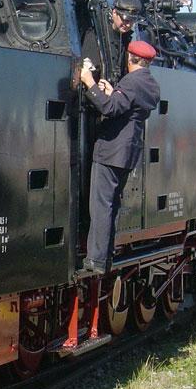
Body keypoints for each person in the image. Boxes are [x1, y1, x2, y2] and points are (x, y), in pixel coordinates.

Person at [78, 40, 161, 275]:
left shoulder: (131, 81)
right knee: (112, 205)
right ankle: (106, 255)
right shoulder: (151, 84)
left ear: (130, 58)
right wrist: (112, 92)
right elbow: (126, 105)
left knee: (102, 205)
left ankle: (96, 259)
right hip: (129, 151)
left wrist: (90, 83)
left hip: (111, 151)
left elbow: (111, 109)